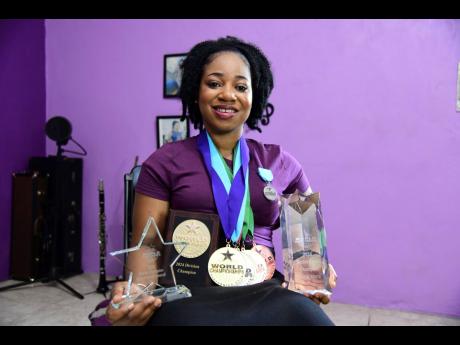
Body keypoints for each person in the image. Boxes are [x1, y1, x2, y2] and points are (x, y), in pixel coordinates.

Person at [105, 36, 338, 326]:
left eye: (241, 87)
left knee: (309, 319)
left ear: (256, 96)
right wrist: (138, 293)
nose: (228, 95)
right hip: (188, 290)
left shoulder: (281, 162)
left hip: (264, 287)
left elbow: (308, 240)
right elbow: (147, 244)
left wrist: (315, 270)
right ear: (195, 91)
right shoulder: (164, 161)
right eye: (214, 83)